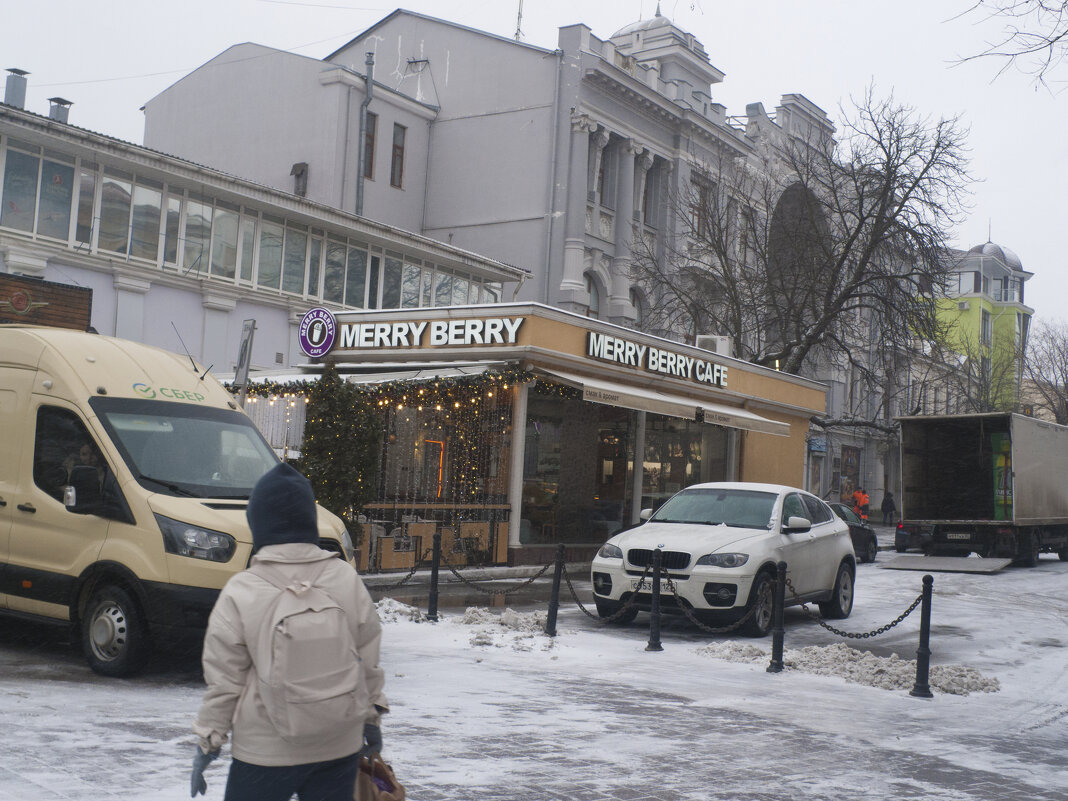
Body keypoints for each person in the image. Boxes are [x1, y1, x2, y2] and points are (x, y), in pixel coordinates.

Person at [190, 463, 387, 801]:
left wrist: (209, 742)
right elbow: (366, 657)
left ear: (259, 522)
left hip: (264, 752)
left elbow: (225, 682)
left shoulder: (242, 590)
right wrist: (371, 719)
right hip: (338, 743)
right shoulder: (344, 578)